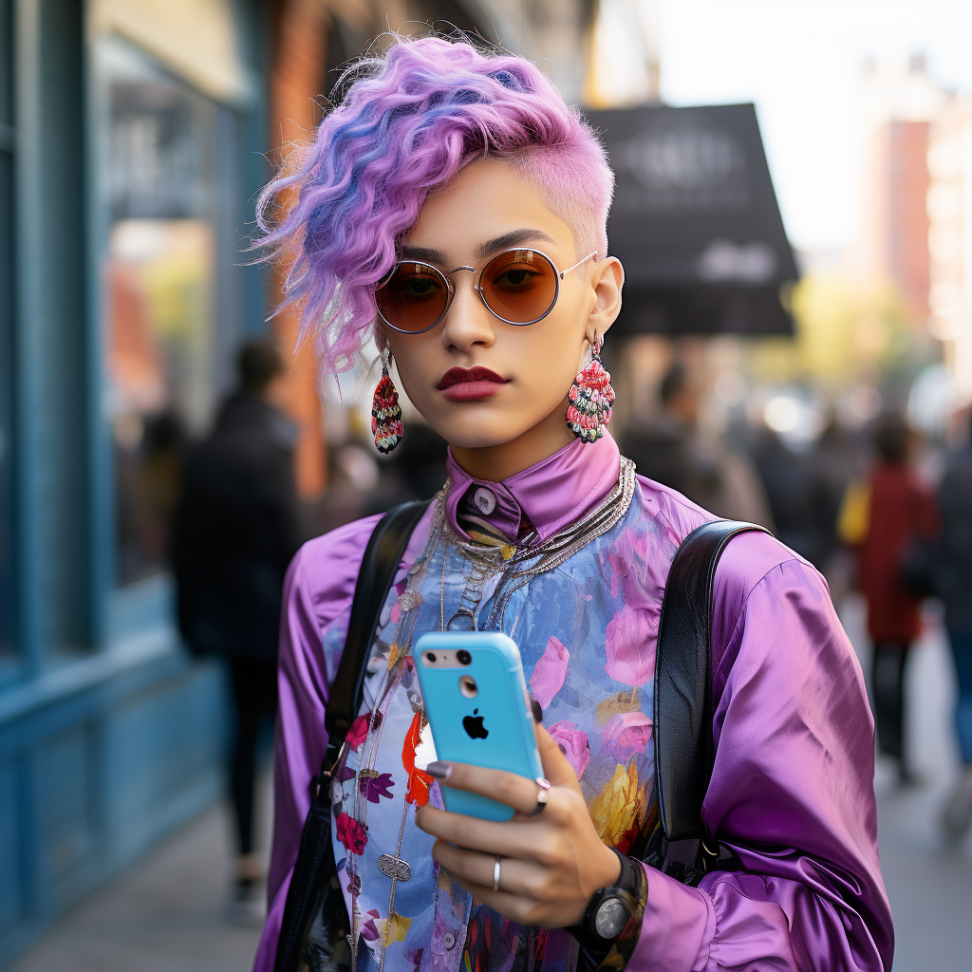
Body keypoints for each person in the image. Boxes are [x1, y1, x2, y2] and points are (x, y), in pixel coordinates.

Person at [253, 36, 892, 971]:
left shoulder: (745, 596)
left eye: (514, 278)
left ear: (599, 298)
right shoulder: (336, 586)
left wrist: (614, 900)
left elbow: (841, 943)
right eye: (415, 286)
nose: (464, 327)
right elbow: (296, 908)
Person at [172, 339, 301, 920]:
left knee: (242, 736)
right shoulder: (272, 449)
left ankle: (246, 865)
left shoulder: (204, 451)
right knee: (292, 742)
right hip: (274, 618)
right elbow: (293, 547)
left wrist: (189, 619)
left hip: (223, 618)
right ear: (273, 382)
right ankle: (291, 865)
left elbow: (182, 546)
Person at [839, 414, 939, 785]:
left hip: (876, 588)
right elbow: (931, 536)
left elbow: (851, 534)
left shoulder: (865, 485)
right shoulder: (918, 488)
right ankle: (901, 751)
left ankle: (883, 744)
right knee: (904, 671)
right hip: (907, 591)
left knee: (878, 661)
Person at [622, 361, 774, 528]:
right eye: (698, 395)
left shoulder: (633, 448)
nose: (701, 404)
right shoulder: (711, 459)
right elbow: (749, 523)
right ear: (682, 399)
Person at [935, 410, 972, 838]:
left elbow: (937, 535)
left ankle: (967, 764)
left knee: (964, 691)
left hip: (960, 599)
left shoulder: (951, 471)